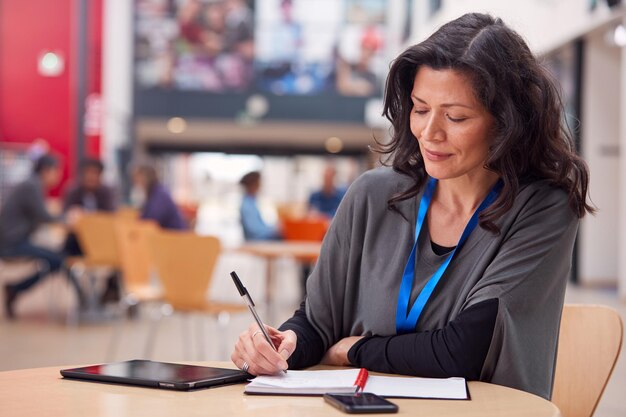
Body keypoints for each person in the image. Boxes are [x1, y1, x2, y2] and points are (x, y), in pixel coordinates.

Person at [231, 13, 593, 400]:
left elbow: (463, 351)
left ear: (507, 122)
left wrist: (355, 350)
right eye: (420, 109)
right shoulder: (372, 196)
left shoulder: (544, 208)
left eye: (456, 116)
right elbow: (318, 327)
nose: (430, 132)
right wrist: (282, 346)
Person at [0, 154, 85, 319]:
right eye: (56, 171)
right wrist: (68, 218)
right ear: (46, 171)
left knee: (58, 259)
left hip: (18, 240)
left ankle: (16, 288)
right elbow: (43, 216)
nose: (58, 176)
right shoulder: (32, 185)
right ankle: (83, 299)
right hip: (11, 243)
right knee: (60, 260)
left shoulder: (32, 184)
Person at [62, 158, 117, 256]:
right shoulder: (73, 191)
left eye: (95, 173)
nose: (91, 177)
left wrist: (88, 217)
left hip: (101, 237)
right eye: (88, 173)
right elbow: (66, 215)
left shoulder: (106, 192)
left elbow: (110, 216)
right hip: (78, 238)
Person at [131, 163, 187, 230]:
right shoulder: (154, 193)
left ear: (146, 177)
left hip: (176, 236)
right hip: (166, 235)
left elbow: (151, 220)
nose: (135, 180)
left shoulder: (160, 195)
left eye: (138, 176)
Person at [239, 171, 281, 240]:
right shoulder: (247, 205)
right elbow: (254, 230)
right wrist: (273, 231)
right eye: (259, 182)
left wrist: (274, 228)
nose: (261, 185)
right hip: (257, 241)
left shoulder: (252, 202)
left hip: (260, 238)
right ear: (253, 185)